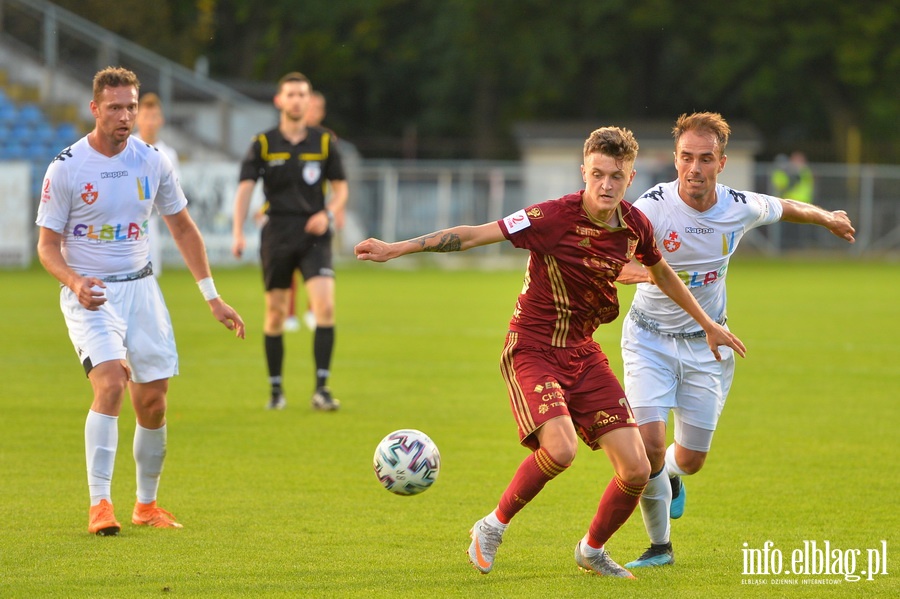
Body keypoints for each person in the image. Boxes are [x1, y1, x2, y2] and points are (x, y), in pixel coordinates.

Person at [354, 126, 746, 577]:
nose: (605, 185)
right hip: (534, 348)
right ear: (584, 171)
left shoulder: (635, 224)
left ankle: (592, 549)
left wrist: (708, 324)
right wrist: (398, 247)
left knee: (638, 468)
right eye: (597, 174)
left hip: (583, 352)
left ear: (630, 178)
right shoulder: (552, 217)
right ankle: (491, 526)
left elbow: (663, 274)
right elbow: (476, 234)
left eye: (615, 177)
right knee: (560, 450)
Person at [619, 112, 855, 569]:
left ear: (721, 163)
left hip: (709, 344)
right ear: (675, 159)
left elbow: (788, 206)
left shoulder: (738, 206)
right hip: (648, 339)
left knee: (690, 459)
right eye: (686, 157)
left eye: (705, 159)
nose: (694, 168)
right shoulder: (651, 206)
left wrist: (828, 218)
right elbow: (614, 257)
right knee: (647, 445)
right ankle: (660, 548)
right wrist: (639, 273)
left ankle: (672, 475)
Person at [35, 66, 246, 536]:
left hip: (143, 289)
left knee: (152, 402)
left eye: (131, 106)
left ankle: (146, 505)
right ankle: (99, 505)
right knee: (109, 384)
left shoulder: (152, 161)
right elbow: (46, 246)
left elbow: (184, 228)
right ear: (94, 109)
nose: (125, 116)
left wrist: (212, 298)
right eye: (115, 107)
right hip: (91, 294)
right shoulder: (66, 167)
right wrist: (73, 281)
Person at [231, 72, 348, 411]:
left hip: (315, 235)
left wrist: (327, 213)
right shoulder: (264, 143)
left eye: (303, 94)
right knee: (275, 313)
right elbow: (245, 189)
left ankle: (321, 390)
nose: (297, 100)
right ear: (279, 101)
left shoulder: (324, 142)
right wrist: (238, 230)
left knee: (325, 306)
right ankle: (276, 392)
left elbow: (341, 188)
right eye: (291, 94)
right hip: (277, 234)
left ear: (309, 101)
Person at [285, 90, 333, 333]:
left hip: (318, 214)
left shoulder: (326, 140)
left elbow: (338, 179)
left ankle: (313, 310)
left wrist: (336, 209)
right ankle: (289, 314)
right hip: (290, 214)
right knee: (289, 266)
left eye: (316, 108)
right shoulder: (288, 138)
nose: (311, 111)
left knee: (317, 264)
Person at [134, 92, 181, 278]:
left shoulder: (168, 154)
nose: (150, 122)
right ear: (137, 118)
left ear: (161, 120)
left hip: (149, 222)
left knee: (149, 277)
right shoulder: (125, 148)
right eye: (146, 117)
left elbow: (174, 192)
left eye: (154, 117)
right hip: (122, 221)